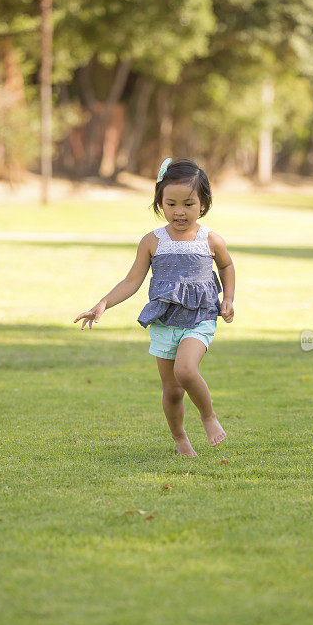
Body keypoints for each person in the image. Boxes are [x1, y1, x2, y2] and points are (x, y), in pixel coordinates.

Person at [74, 158, 235, 457]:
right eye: (171, 203)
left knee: (186, 371)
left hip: (200, 318)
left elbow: (226, 266)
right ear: (160, 203)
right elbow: (132, 280)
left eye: (188, 204)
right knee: (172, 391)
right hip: (164, 321)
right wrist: (103, 304)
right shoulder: (152, 241)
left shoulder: (211, 239)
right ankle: (179, 438)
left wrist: (228, 299)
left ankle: (208, 416)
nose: (179, 211)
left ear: (203, 203)